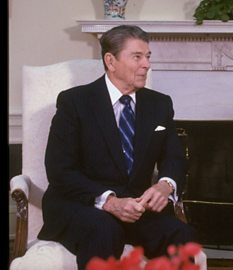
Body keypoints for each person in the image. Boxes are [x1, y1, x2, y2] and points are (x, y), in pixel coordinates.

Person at [38, 25, 194, 270]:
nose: (147, 64)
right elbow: (60, 170)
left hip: (136, 208)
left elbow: (174, 157)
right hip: (82, 206)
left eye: (148, 56)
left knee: (180, 234)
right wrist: (109, 202)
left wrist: (166, 185)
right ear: (110, 61)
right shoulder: (74, 103)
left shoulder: (160, 104)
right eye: (137, 57)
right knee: (104, 230)